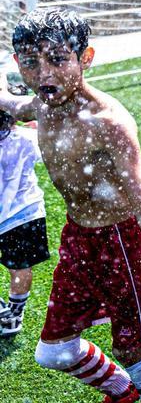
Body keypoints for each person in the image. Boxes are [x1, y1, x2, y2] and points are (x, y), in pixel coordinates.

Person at [0, 9, 141, 403]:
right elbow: (15, 108)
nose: (45, 74)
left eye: (58, 59)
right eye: (32, 63)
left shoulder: (107, 121)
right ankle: (124, 392)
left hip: (124, 242)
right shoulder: (43, 105)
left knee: (131, 349)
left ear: (86, 58)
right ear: (18, 64)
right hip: (78, 239)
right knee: (54, 351)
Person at [0, 66, 48, 337]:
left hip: (19, 216)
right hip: (25, 215)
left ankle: (7, 313)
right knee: (20, 267)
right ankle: (14, 316)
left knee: (19, 267)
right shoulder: (28, 139)